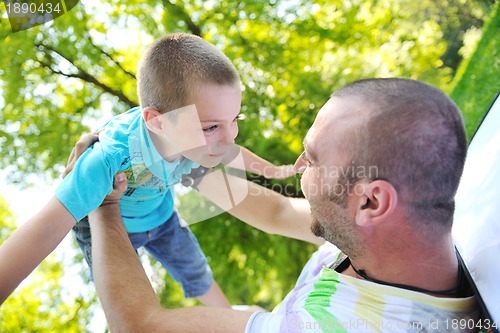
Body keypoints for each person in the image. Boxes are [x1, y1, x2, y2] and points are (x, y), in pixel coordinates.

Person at [86, 78, 478, 332]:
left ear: (371, 200)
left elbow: (141, 323)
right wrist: (192, 164)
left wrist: (101, 203)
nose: (300, 166)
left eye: (313, 158)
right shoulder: (404, 232)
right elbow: (277, 212)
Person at [0, 32, 295, 306]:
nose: (230, 136)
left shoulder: (194, 141)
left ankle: (229, 317)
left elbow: (234, 152)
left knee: (195, 268)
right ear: (157, 121)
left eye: (234, 120)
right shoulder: (110, 156)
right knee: (127, 299)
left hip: (161, 218)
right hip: (114, 230)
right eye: (212, 126)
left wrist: (275, 171)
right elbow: (47, 227)